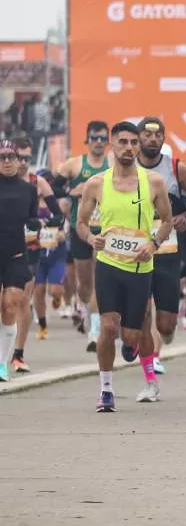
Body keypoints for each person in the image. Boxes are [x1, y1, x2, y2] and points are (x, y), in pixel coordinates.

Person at [74, 123, 173, 410]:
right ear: (112, 146)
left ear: (139, 146)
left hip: (141, 268)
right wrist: (92, 238)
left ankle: (140, 359)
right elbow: (80, 223)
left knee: (132, 335)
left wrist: (153, 245)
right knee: (107, 326)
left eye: (133, 142)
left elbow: (167, 221)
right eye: (122, 142)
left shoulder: (153, 182)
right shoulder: (96, 183)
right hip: (108, 265)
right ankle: (106, 390)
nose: (128, 147)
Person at [134, 117, 186, 381]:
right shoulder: (125, 168)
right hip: (134, 250)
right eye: (147, 134)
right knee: (141, 310)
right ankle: (147, 366)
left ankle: (164, 336)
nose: (152, 139)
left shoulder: (176, 168)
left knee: (165, 324)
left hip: (168, 252)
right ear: (138, 138)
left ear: (163, 138)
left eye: (158, 135)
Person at [53, 119, 109, 351]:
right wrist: (70, 191)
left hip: (105, 230)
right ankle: (85, 309)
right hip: (81, 228)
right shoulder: (74, 165)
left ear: (108, 141)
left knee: (100, 280)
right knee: (84, 284)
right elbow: (52, 188)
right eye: (94, 137)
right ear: (87, 140)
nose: (98, 142)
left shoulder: (113, 164)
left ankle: (95, 332)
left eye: (103, 138)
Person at [14, 139, 61, 372]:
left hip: (30, 249)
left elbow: (58, 215)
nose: (23, 163)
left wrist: (41, 223)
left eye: (27, 159)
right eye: (18, 157)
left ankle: (18, 354)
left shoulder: (37, 182)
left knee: (23, 300)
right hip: (5, 247)